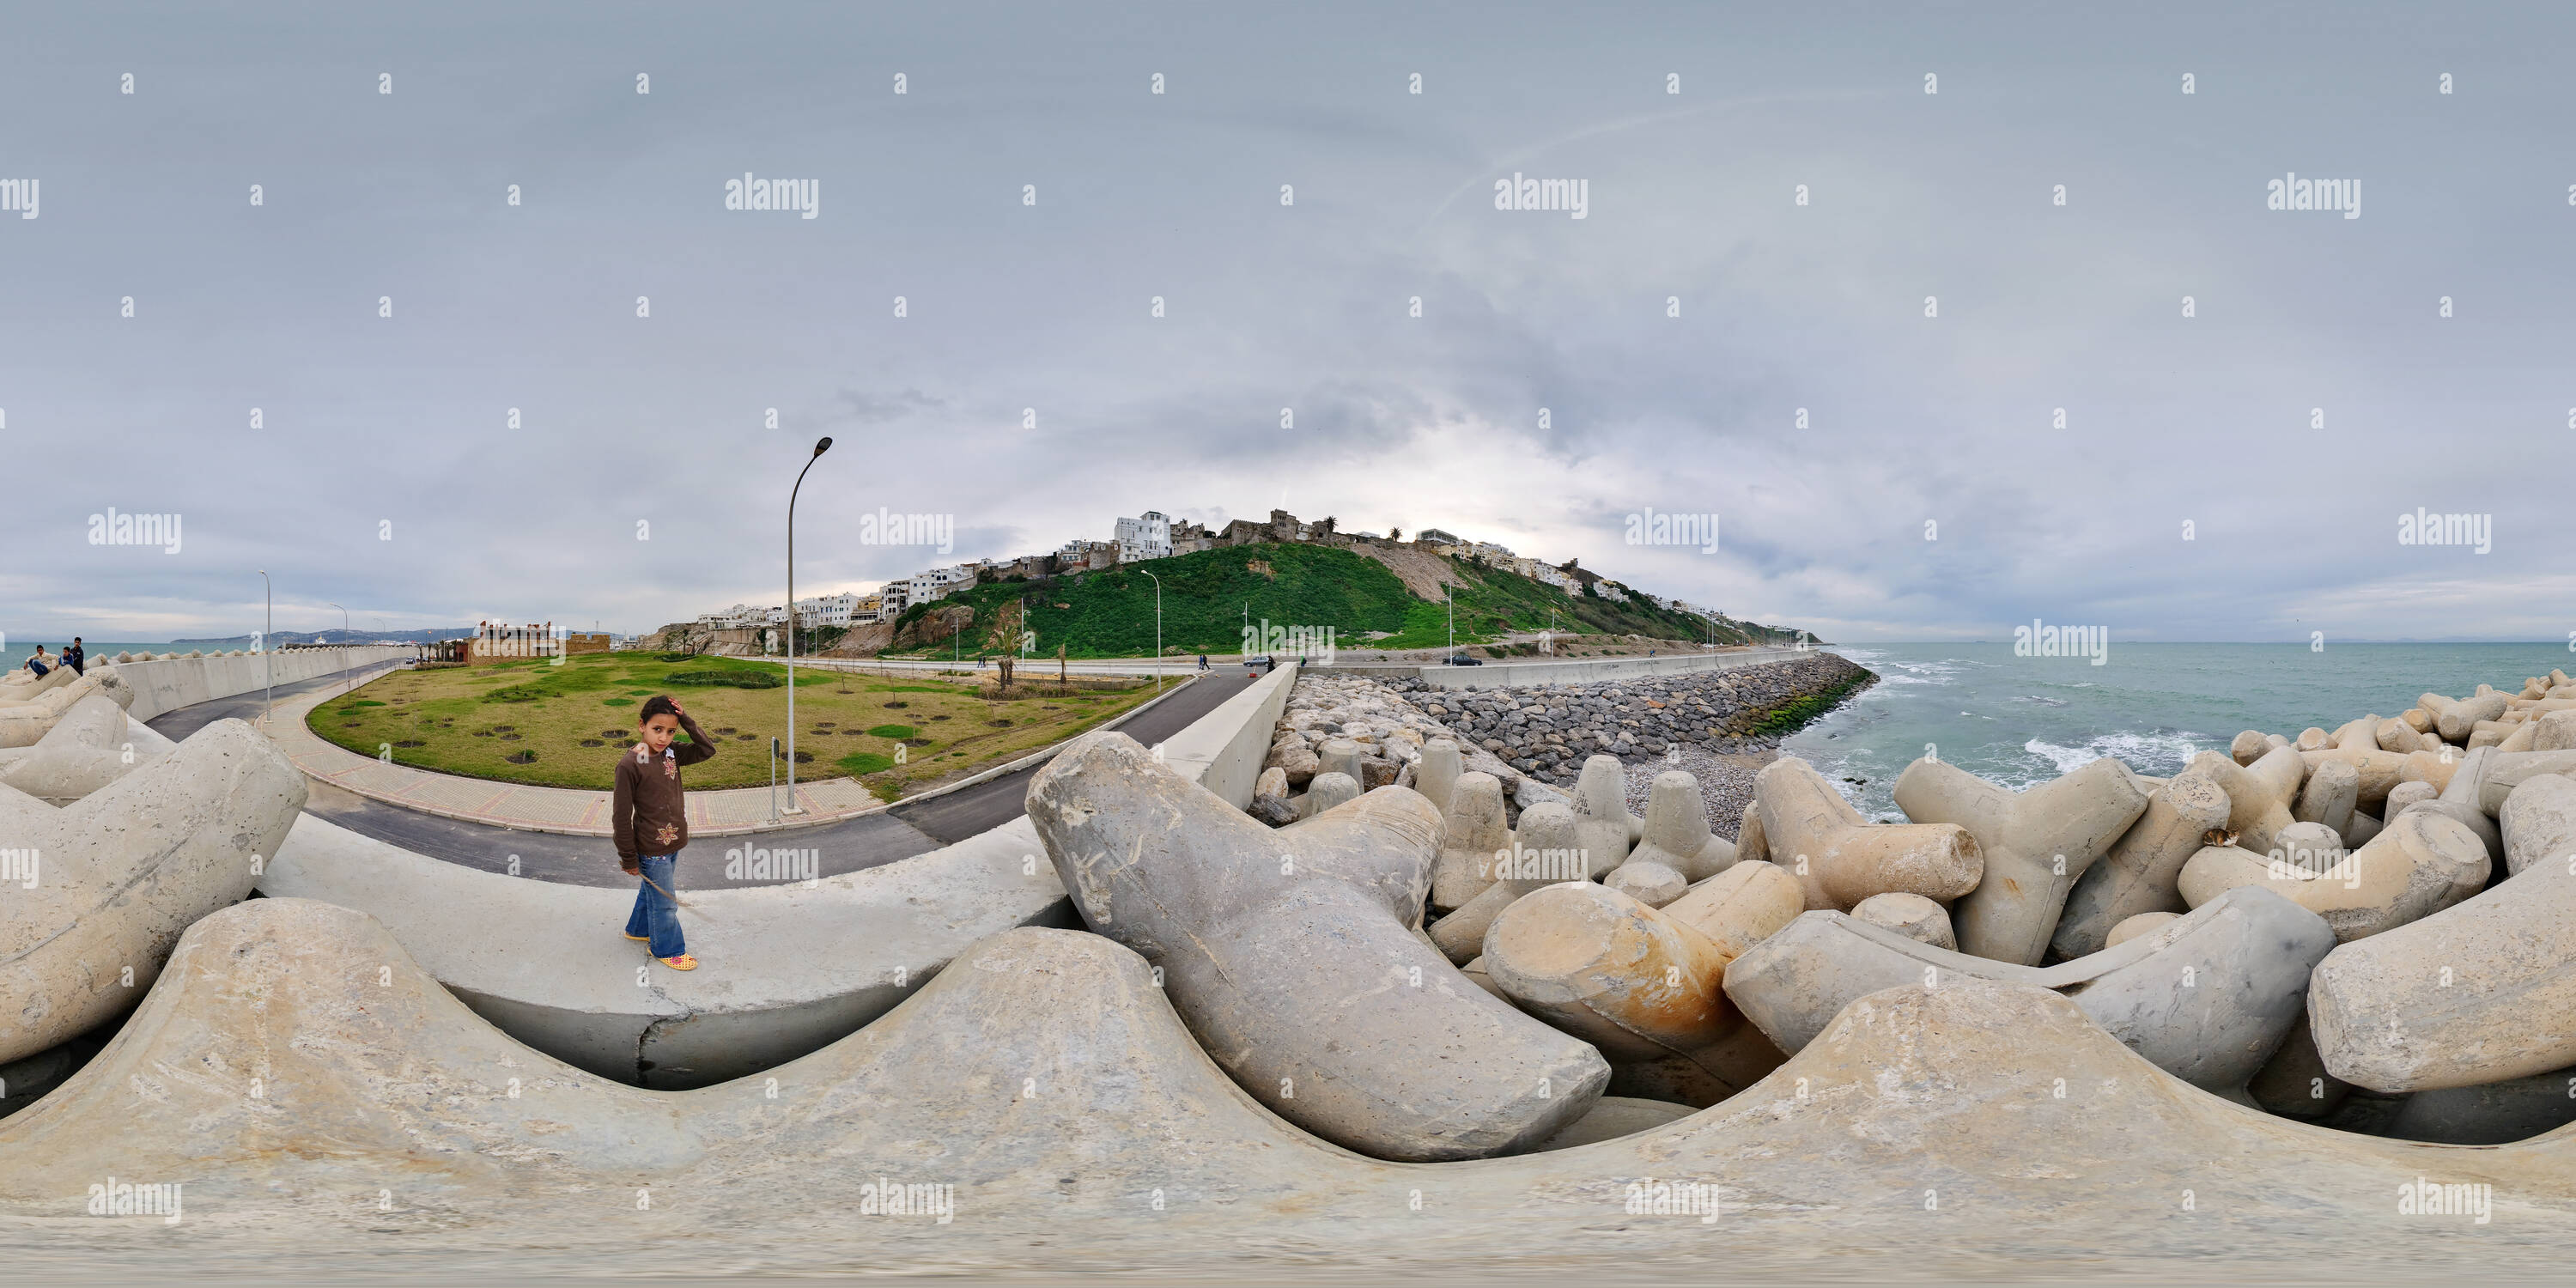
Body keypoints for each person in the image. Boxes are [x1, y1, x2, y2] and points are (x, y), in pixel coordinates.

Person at [611, 695, 718, 971]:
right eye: (657, 729)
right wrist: (628, 858)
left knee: (653, 892)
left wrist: (687, 721)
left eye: (671, 731)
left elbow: (707, 750)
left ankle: (637, 929)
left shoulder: (672, 753)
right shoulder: (630, 765)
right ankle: (667, 948)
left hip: (673, 843)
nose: (664, 738)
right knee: (666, 903)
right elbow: (621, 818)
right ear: (641, 726)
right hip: (650, 849)